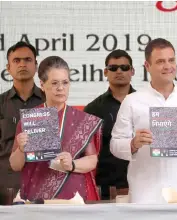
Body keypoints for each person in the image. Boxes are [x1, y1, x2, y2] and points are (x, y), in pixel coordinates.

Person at [110, 38, 177, 204]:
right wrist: (133, 144)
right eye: (160, 61)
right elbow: (115, 144)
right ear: (147, 66)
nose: (168, 66)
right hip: (145, 192)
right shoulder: (132, 101)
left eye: (171, 60)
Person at [9, 56, 102, 201]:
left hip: (73, 199)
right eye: (54, 83)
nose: (60, 88)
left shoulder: (82, 119)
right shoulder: (30, 119)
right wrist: (21, 149)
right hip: (37, 198)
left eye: (65, 83)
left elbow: (92, 160)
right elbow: (15, 165)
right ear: (42, 84)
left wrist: (72, 164)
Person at [84, 50, 136, 200]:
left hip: (141, 183)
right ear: (105, 72)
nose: (119, 71)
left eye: (124, 67)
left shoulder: (144, 103)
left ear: (132, 71)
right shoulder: (93, 109)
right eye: (113, 68)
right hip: (106, 187)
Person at [0, 42, 45, 205]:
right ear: (8, 67)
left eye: (27, 60)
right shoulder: (1, 104)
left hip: (44, 186)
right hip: (6, 188)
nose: (22, 64)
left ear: (36, 66)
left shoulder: (51, 102)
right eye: (16, 60)